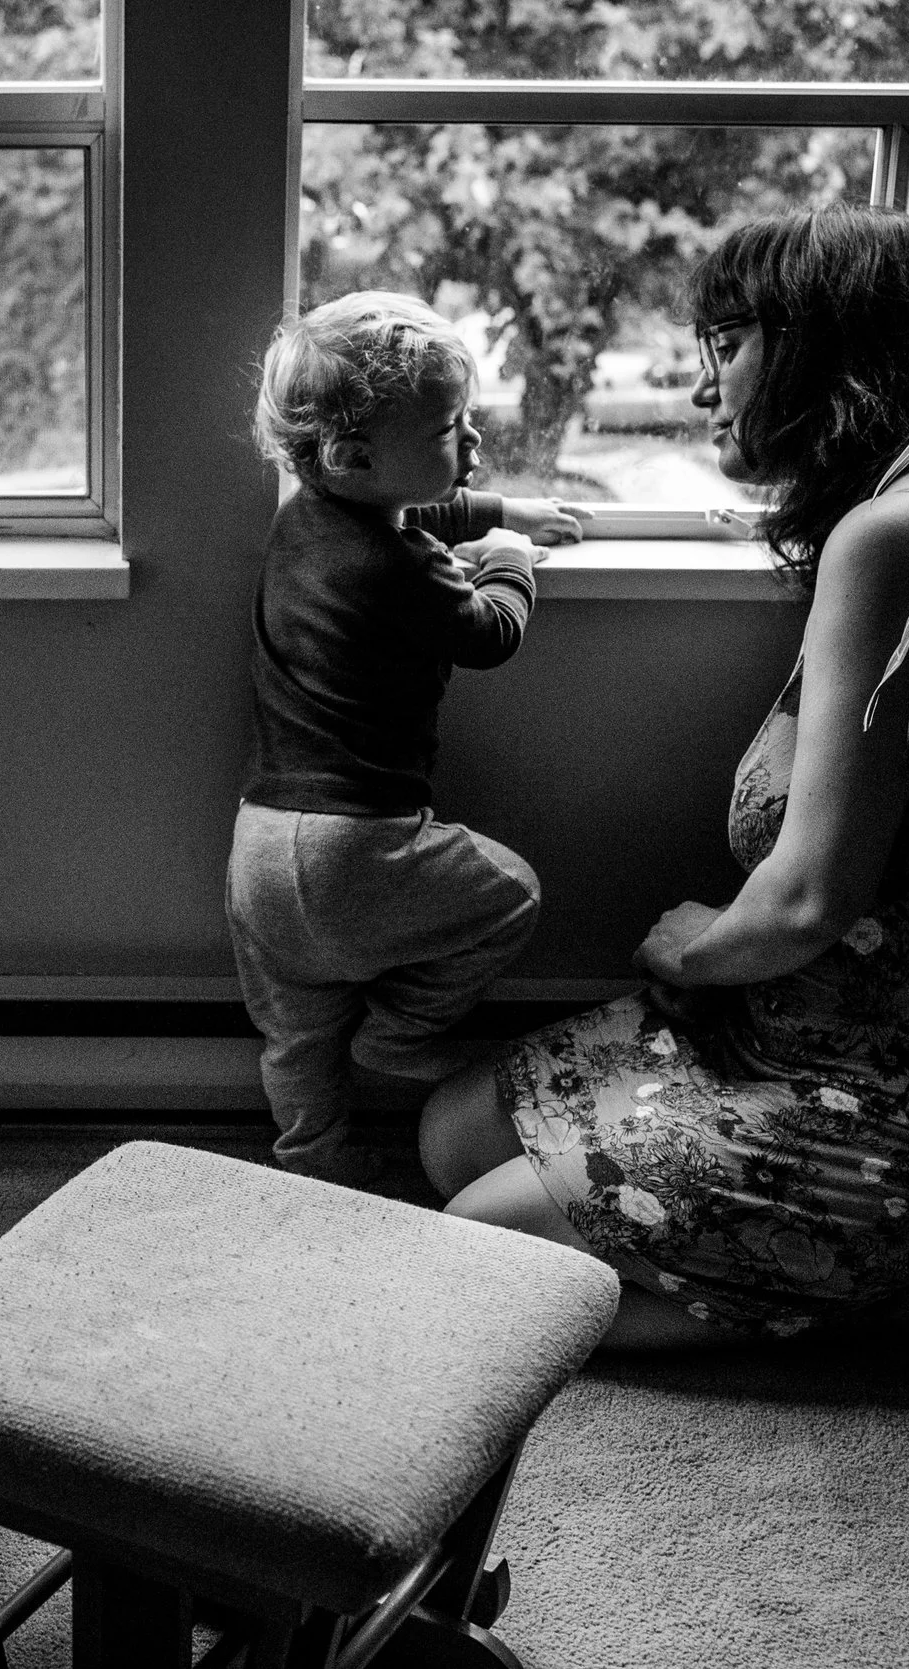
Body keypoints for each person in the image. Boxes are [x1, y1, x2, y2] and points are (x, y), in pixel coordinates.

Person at [419, 206, 909, 1345]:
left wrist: (686, 944)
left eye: (725, 341)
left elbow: (809, 897)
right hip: (804, 1029)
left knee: (482, 1259)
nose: (700, 387)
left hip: (902, 1106)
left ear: (822, 343)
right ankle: (872, 1273)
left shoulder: (899, 541)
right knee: (447, 1135)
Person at [232, 290, 584, 1186]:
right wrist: (511, 556)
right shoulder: (402, 566)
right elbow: (488, 634)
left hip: (263, 850)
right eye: (447, 430)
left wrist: (500, 504)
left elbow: (411, 507)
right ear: (355, 456)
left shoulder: (304, 520)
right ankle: (398, 1037)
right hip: (361, 844)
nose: (468, 443)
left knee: (297, 1037)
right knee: (511, 895)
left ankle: (305, 1167)